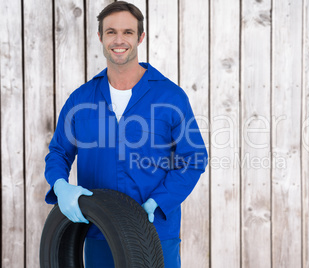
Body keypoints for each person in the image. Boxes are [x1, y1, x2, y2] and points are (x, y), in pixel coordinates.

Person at [44, 1, 208, 267]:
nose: (119, 40)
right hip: (99, 231)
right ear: (100, 37)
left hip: (155, 230)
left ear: (140, 37)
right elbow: (59, 152)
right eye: (111, 32)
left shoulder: (170, 97)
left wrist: (159, 201)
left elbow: (194, 158)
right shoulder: (81, 98)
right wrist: (60, 186)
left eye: (128, 32)